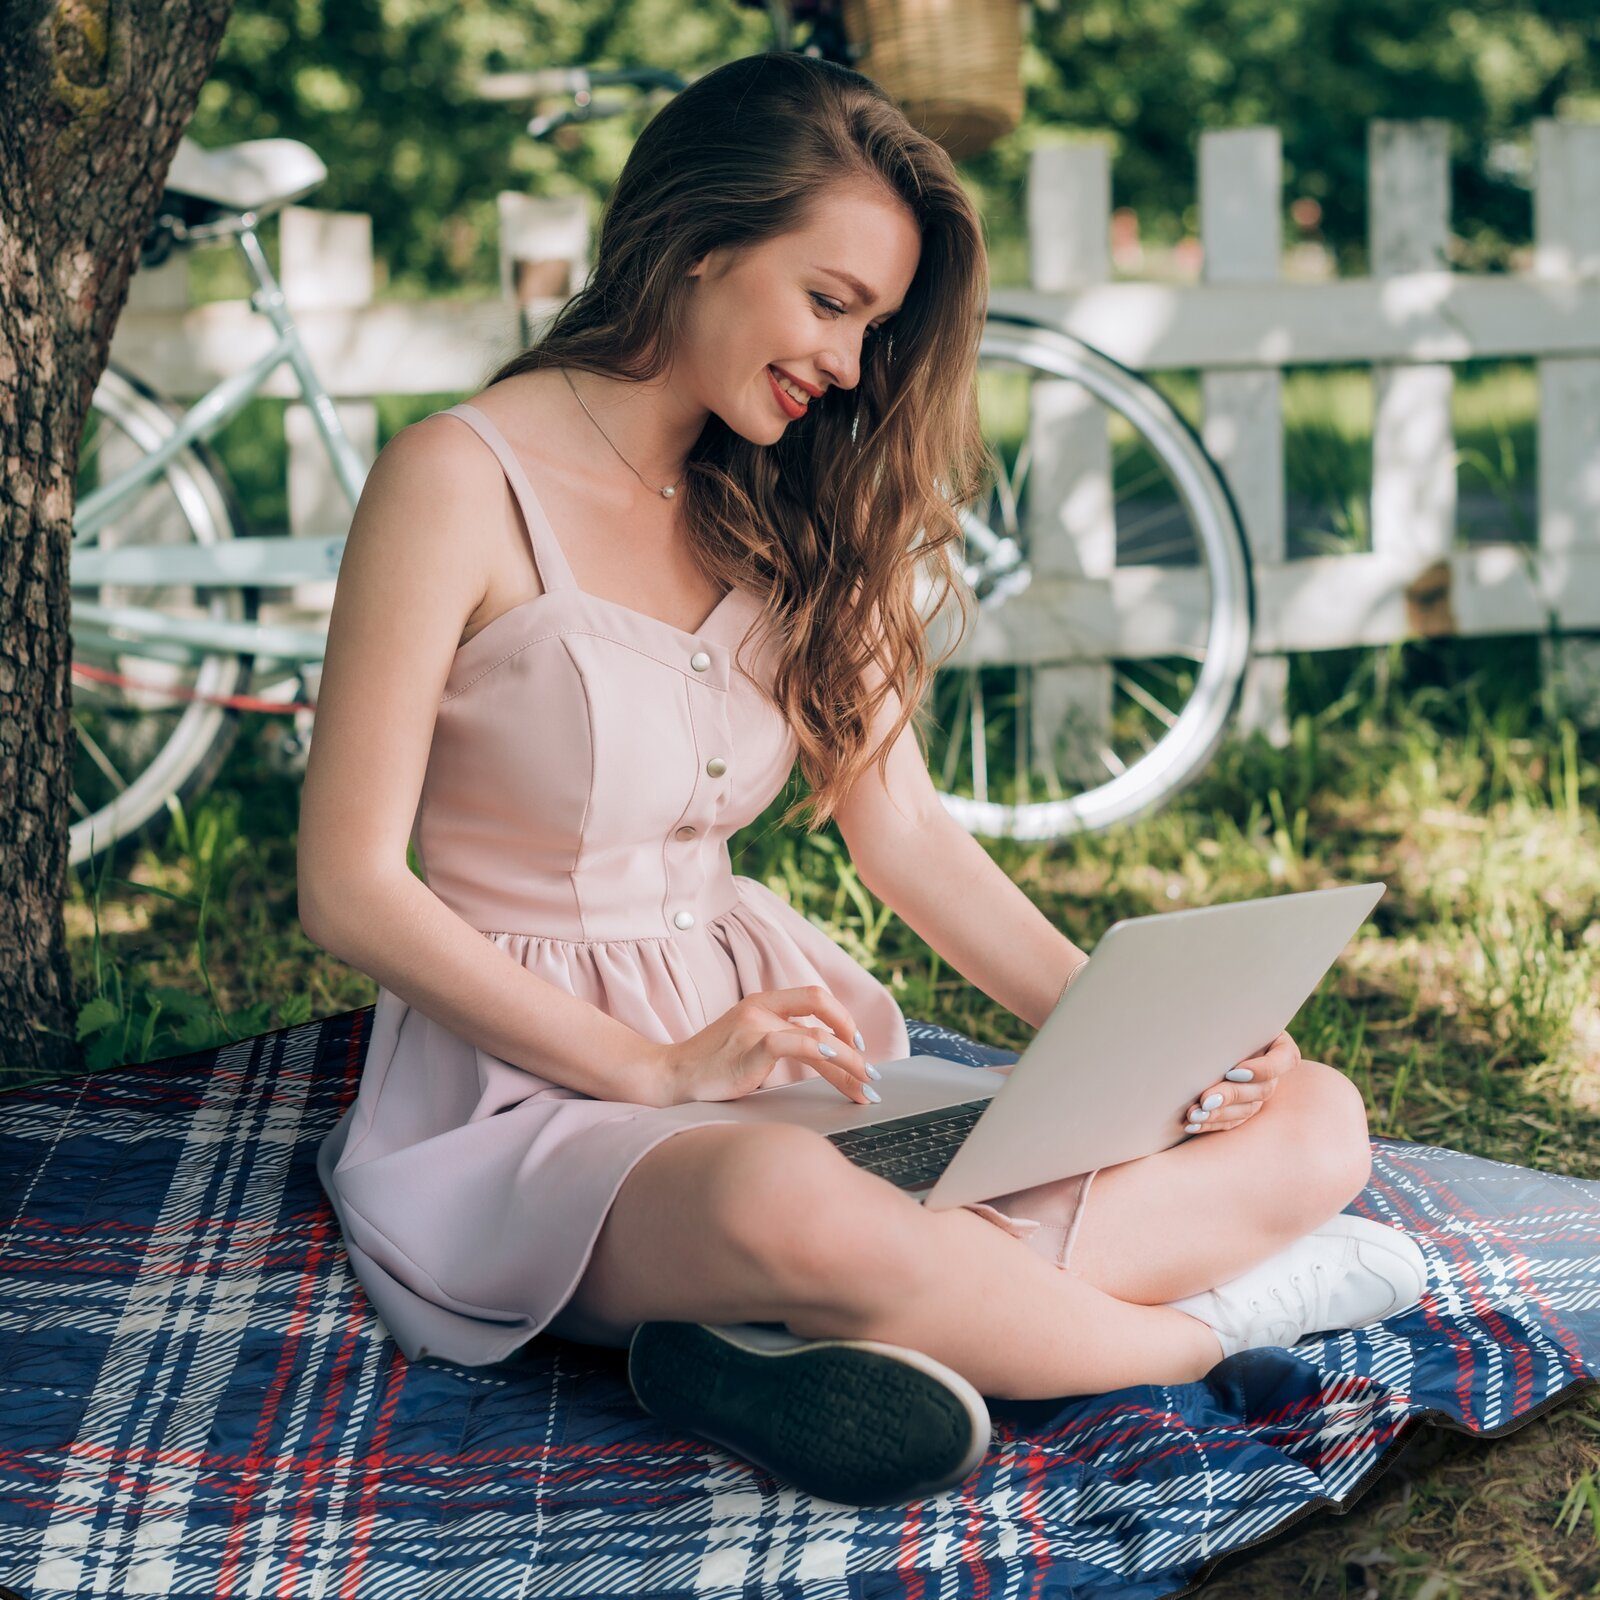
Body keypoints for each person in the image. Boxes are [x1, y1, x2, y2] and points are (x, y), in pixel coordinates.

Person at [298, 50, 1426, 1509]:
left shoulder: (786, 499)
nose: (846, 362)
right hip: (532, 1102)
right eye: (828, 303)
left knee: (1312, 1115)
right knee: (790, 1204)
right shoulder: (455, 479)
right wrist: (649, 1071)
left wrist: (1140, 1045)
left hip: (772, 1064)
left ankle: (803, 1330)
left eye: (873, 326)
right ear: (698, 239)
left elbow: (902, 832)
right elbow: (349, 886)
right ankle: (1192, 1333)